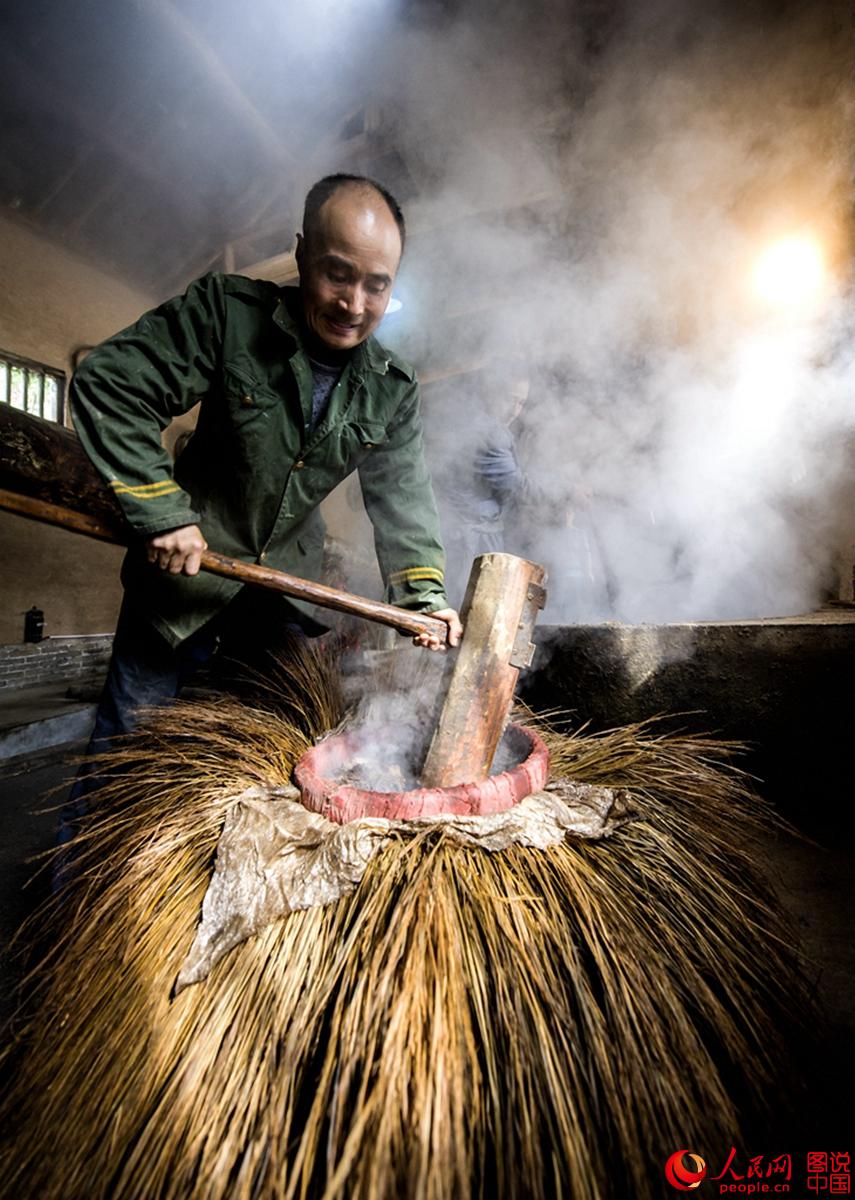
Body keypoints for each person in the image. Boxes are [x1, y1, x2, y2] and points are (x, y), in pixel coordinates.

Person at [65, 173, 462, 815]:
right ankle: (77, 902)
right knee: (124, 761)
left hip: (276, 601)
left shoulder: (392, 387)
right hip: (182, 586)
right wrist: (161, 511)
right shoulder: (228, 315)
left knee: (260, 769)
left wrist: (425, 598)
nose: (354, 304)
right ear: (302, 254)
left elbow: (403, 498)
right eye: (337, 274)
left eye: (377, 285)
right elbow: (110, 384)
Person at [436, 362, 534, 606]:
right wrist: (565, 491)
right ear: (492, 392)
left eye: (521, 402)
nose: (515, 409)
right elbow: (513, 484)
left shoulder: (479, 424)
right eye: (509, 399)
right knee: (467, 610)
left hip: (475, 535)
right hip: (469, 540)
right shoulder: (488, 431)